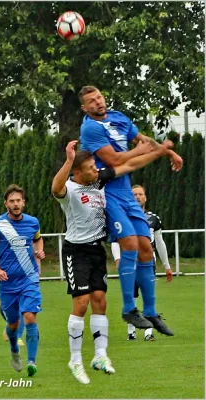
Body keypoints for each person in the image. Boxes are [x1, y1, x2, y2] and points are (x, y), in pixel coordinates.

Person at [51, 139, 171, 384]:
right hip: (76, 252)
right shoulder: (69, 190)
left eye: (96, 166)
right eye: (90, 167)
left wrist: (158, 151)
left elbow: (128, 165)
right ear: (77, 171)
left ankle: (100, 355)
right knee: (82, 303)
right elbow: (55, 188)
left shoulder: (99, 180)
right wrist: (68, 159)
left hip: (97, 250)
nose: (95, 169)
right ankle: (75, 360)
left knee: (100, 302)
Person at [79, 85, 182, 335]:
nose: (98, 103)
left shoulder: (119, 117)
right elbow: (114, 160)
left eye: (100, 97)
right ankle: (128, 308)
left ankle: (150, 311)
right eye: (92, 101)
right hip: (108, 192)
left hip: (126, 193)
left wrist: (167, 151)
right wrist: (143, 151)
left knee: (147, 248)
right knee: (131, 245)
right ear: (85, 108)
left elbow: (144, 140)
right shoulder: (90, 128)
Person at [0, 184, 45, 377]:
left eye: (19, 200)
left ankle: (32, 362)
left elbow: (37, 239)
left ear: (23, 202)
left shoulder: (33, 222)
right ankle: (15, 350)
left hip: (29, 279)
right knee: (13, 324)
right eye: (12, 201)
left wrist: (39, 251)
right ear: (6, 203)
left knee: (30, 316)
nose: (16, 204)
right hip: (7, 283)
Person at [111, 184, 173, 341]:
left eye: (140, 194)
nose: (138, 197)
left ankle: (148, 332)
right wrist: (118, 258)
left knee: (147, 294)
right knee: (131, 296)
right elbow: (115, 241)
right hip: (129, 261)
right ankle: (131, 333)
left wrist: (167, 266)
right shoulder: (121, 217)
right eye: (134, 194)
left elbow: (160, 243)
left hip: (147, 263)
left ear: (145, 197)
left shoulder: (153, 219)